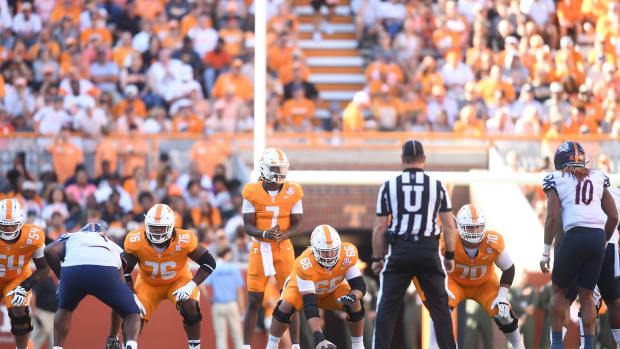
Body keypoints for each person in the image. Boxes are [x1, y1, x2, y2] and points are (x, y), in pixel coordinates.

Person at [371, 140, 457, 349]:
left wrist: (377, 257)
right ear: (424, 160)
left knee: (387, 309)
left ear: (402, 159)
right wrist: (450, 256)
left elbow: (380, 228)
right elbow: (449, 226)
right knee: (440, 310)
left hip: (400, 249)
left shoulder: (389, 186)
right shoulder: (437, 186)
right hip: (428, 250)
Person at [540, 141, 618, 349]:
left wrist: (546, 253)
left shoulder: (556, 178)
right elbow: (613, 216)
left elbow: (553, 218)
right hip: (597, 238)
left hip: (574, 236)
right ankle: (589, 345)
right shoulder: (598, 176)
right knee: (587, 295)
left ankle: (556, 344)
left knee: (558, 292)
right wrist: (602, 242)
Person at [107, 203, 216, 349]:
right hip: (148, 283)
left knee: (190, 305)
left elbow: (209, 262)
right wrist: (130, 294)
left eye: (162, 226)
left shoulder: (184, 239)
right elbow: (124, 270)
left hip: (178, 281)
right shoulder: (136, 240)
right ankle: (130, 345)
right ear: (146, 224)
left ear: (171, 225)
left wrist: (190, 286)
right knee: (132, 311)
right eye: (153, 226)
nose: (158, 230)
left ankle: (195, 347)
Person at [427, 204, 525, 348]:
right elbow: (433, 263)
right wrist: (440, 285)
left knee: (504, 313)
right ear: (459, 226)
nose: (474, 231)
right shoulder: (447, 239)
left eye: (478, 227)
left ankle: (518, 344)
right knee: (439, 306)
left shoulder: (492, 241)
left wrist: (502, 295)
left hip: (484, 284)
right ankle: (433, 345)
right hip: (456, 282)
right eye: (470, 227)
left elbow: (509, 268)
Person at [242, 148, 304, 349]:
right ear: (265, 168)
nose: (281, 172)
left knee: (291, 298)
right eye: (276, 168)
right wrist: (264, 234)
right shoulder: (251, 191)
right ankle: (245, 345)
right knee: (254, 300)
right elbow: (248, 225)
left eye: (282, 168)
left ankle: (295, 345)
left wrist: (283, 235)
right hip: (260, 247)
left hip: (283, 248)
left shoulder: (293, 190)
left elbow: (297, 224)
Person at [266, 224, 366, 349]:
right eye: (325, 252)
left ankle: (358, 345)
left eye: (333, 251)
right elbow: (310, 306)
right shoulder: (304, 263)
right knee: (285, 306)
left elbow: (359, 285)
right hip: (301, 291)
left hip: (331, 290)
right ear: (314, 250)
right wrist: (319, 338)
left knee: (356, 302)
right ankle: (272, 344)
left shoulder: (348, 253)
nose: (330, 256)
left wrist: (353, 296)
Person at [43, 223, 141, 349]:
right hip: (104, 269)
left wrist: (62, 278)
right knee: (131, 312)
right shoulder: (110, 243)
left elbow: (49, 250)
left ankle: (57, 347)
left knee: (64, 308)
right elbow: (122, 280)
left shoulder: (73, 236)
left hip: (73, 270)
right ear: (103, 234)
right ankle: (124, 343)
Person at [0, 198, 50, 349]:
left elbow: (44, 268)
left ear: (21, 222)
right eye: (4, 225)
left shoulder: (33, 236)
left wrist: (25, 286)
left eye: (12, 225)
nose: (8, 229)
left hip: (16, 277)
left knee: (20, 310)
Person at [200, 246, 244, 349]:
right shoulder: (233, 268)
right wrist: (242, 311)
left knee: (220, 337)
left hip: (218, 305)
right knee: (238, 336)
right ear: (227, 254)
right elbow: (239, 291)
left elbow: (201, 284)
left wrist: (209, 299)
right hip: (232, 304)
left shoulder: (213, 268)